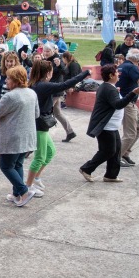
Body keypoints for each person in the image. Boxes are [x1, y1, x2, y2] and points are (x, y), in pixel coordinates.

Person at [25, 60, 89, 195]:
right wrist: (85, 74)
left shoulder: (37, 85)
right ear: (47, 73)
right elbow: (65, 84)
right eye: (51, 71)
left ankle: (36, 178)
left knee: (50, 152)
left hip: (41, 125)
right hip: (39, 126)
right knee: (40, 157)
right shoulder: (42, 86)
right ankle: (28, 186)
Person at [0, 66, 39, 207]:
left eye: (9, 78)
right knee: (17, 164)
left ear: (15, 81)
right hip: (27, 136)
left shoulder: (10, 96)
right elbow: (37, 114)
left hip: (13, 138)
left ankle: (23, 191)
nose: (6, 81)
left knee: (6, 165)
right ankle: (17, 193)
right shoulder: (31, 93)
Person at [80, 64, 139, 183]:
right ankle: (86, 169)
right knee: (108, 151)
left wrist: (116, 92)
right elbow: (118, 104)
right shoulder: (108, 88)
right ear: (111, 75)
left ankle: (111, 175)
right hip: (105, 126)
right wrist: (133, 93)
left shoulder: (109, 87)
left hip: (111, 126)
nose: (119, 74)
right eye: (117, 73)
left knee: (116, 150)